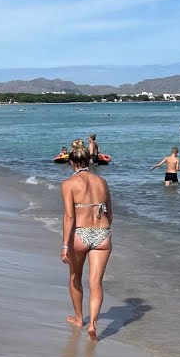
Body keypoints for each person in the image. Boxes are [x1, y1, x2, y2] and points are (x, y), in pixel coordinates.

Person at [61, 140, 113, 341]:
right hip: (102, 234)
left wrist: (65, 245)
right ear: (89, 161)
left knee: (75, 277)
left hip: (80, 234)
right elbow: (110, 213)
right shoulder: (102, 182)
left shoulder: (68, 184)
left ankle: (79, 318)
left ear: (71, 162)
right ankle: (93, 324)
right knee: (96, 282)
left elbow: (69, 217)